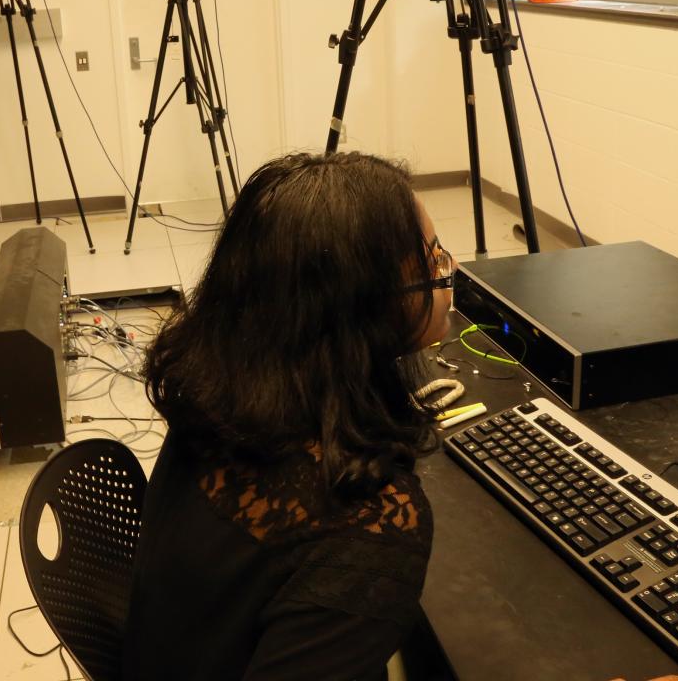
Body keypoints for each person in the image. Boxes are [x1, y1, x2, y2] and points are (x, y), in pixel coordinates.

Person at [125, 151, 452, 680]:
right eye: (434, 258)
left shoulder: (215, 396)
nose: (448, 270)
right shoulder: (373, 527)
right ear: (366, 303)